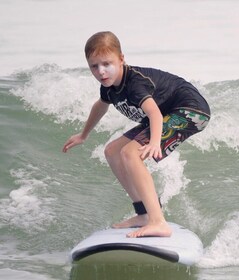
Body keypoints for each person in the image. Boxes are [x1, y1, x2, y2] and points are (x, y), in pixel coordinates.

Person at [62, 31, 210, 238]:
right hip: (166, 112)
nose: (101, 71)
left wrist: (155, 142)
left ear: (121, 59)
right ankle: (143, 214)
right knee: (113, 151)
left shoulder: (135, 84)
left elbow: (155, 114)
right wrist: (83, 135)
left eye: (107, 63)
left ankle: (158, 222)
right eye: (94, 66)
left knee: (130, 153)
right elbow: (100, 106)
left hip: (191, 110)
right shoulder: (109, 86)